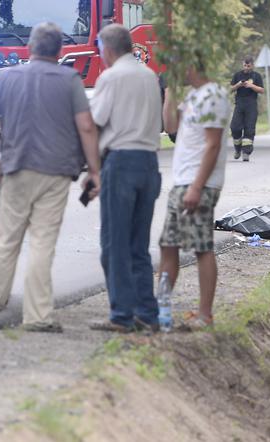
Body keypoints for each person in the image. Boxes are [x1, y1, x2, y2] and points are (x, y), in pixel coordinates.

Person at [0, 22, 102, 333]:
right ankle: (37, 316)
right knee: (43, 241)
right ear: (58, 51)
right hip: (55, 172)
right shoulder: (69, 80)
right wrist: (94, 170)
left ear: (30, 47)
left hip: (14, 167)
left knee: (6, 236)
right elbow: (85, 126)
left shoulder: (8, 77)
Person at [86, 24, 163, 333]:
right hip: (149, 163)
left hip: (121, 161)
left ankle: (121, 315)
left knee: (115, 243)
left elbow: (94, 124)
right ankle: (147, 312)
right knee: (138, 245)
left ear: (107, 48)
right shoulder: (149, 75)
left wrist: (92, 169)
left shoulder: (111, 77)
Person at [159, 58, 232, 329]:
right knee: (168, 244)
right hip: (182, 180)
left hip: (199, 183)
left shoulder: (213, 96)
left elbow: (212, 145)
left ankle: (205, 314)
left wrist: (197, 186)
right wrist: (169, 91)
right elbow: (170, 127)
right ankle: (162, 309)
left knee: (201, 247)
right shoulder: (192, 95)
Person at [229, 57, 264, 162]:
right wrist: (238, 85)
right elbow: (230, 89)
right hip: (239, 104)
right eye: (245, 65)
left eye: (248, 66)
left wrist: (251, 85)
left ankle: (246, 152)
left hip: (251, 104)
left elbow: (261, 90)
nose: (246, 68)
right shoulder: (237, 75)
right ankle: (237, 149)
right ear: (242, 65)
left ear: (252, 65)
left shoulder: (256, 76)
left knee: (249, 129)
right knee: (235, 127)